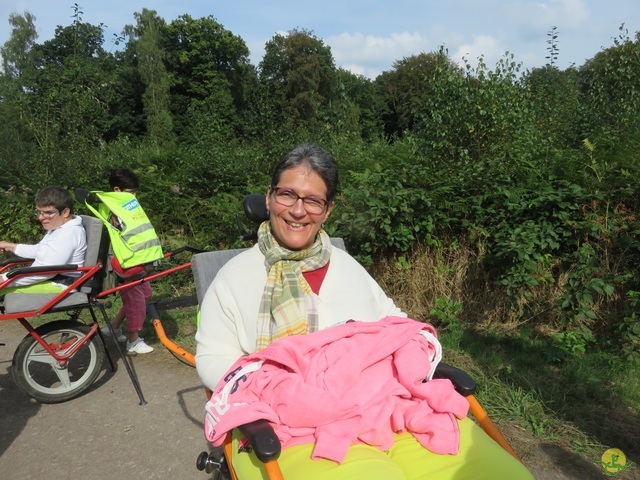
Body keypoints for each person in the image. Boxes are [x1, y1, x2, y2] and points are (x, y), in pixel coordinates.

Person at [195, 144, 534, 480]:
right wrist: (289, 390)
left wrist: (412, 357)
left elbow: (396, 324)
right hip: (293, 427)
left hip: (385, 409)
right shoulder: (233, 277)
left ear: (327, 210)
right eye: (287, 195)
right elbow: (212, 357)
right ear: (269, 197)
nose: (298, 211)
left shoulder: (347, 266)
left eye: (313, 200)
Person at [99, 168, 157, 354]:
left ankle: (113, 327)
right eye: (131, 192)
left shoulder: (125, 207)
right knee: (136, 301)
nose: (134, 196)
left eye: (135, 192)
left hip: (138, 261)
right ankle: (133, 340)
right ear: (117, 190)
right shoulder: (116, 210)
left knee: (145, 293)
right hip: (127, 263)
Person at [0, 186, 87, 295]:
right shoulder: (59, 228)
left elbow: (47, 270)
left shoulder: (69, 233)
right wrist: (11, 246)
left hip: (60, 285)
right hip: (48, 279)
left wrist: (5, 279)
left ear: (65, 212)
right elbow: (38, 250)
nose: (40, 218)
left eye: (48, 213)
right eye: (39, 212)